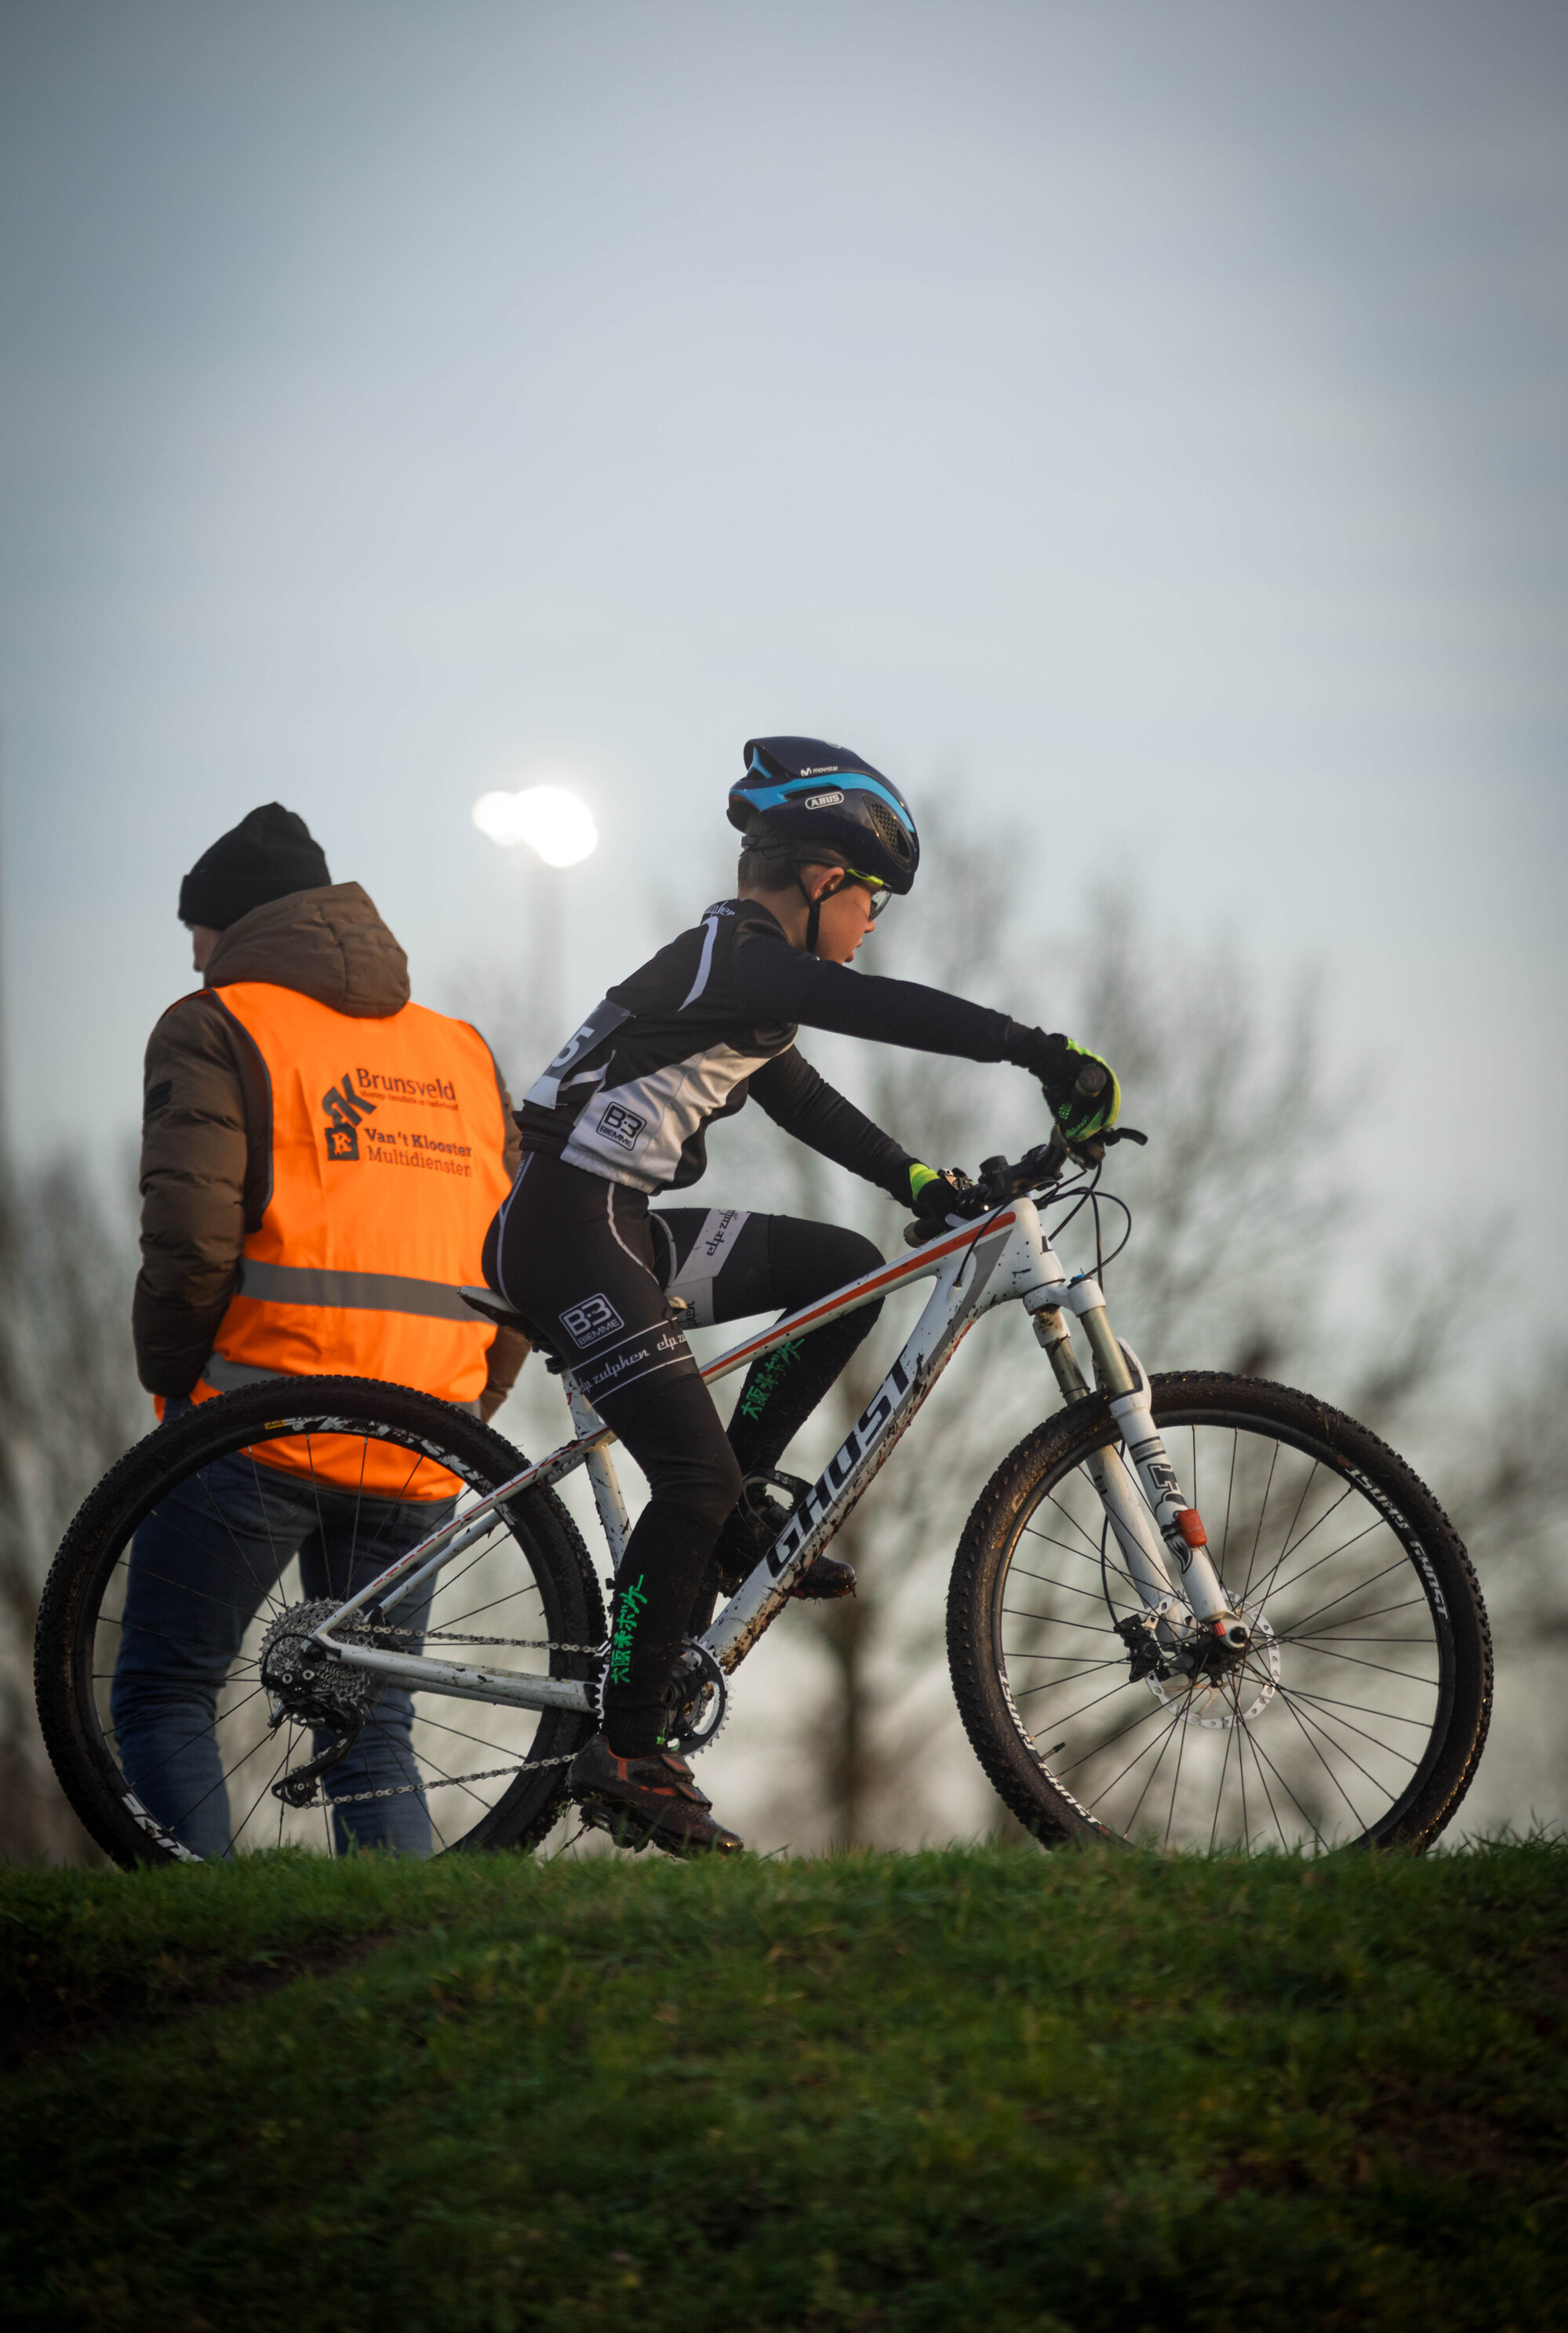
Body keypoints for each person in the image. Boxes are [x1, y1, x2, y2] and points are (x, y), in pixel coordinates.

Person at [485, 737, 1119, 1858]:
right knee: (689, 1474)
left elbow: (801, 1095)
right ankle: (628, 1748)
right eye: (872, 898)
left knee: (842, 1269)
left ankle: (730, 1526)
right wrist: (1034, 1051)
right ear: (824, 877)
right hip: (566, 1229)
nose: (873, 921)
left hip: (616, 1223)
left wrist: (912, 1177)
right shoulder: (740, 957)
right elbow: (870, 1011)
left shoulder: (740, 981)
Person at [113, 803, 530, 1857]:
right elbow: (523, 1253)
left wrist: (174, 1392)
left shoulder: (214, 1023)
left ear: (231, 927)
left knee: (164, 1691)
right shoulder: (459, 1050)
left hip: (257, 1418)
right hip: (424, 1432)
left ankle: (197, 1954)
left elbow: (191, 1243)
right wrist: (474, 1403)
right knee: (374, 1729)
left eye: (195, 931)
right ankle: (397, 1974)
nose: (194, 954)